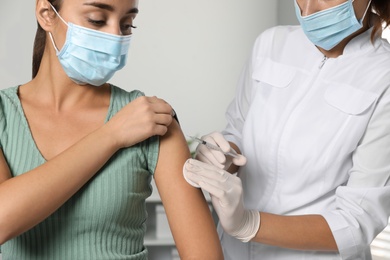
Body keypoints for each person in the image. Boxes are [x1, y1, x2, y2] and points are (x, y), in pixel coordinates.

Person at [0, 0, 223, 259]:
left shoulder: (150, 120)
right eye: (96, 19)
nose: (115, 36)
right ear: (47, 14)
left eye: (127, 25)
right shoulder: (4, 114)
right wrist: (112, 135)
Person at [183, 0, 390, 259]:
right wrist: (223, 157)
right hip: (231, 252)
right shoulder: (271, 44)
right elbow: (238, 131)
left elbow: (356, 223)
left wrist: (249, 224)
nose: (308, 8)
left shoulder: (383, 76)